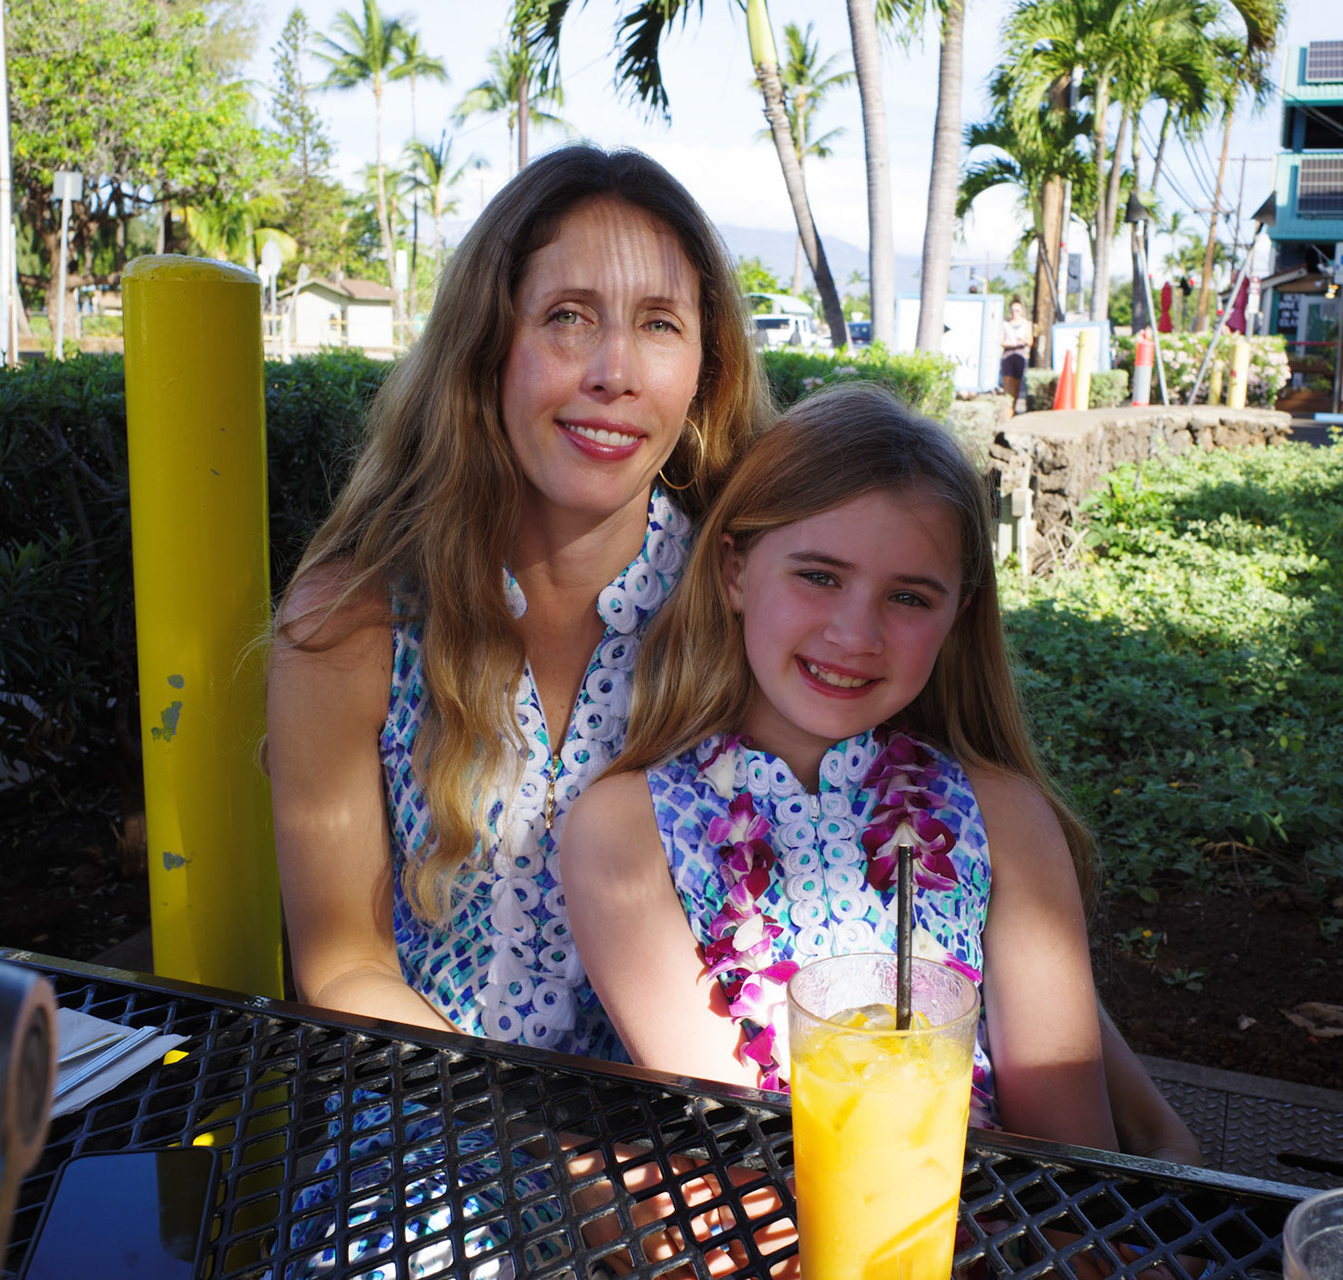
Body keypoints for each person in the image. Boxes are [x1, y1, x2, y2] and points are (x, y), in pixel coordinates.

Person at [268, 141, 1195, 1177]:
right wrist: (555, 1161)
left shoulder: (757, 584)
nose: (613, 371)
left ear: (704, 367)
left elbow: (952, 864)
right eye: (568, 316)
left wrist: (1144, 1125)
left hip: (707, 1164)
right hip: (434, 1134)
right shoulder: (356, 620)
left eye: (658, 324)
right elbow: (344, 962)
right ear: (491, 346)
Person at [562, 382, 1112, 1148]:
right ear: (735, 573)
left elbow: (1073, 1161)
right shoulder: (625, 835)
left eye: (910, 598)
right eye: (819, 576)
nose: (856, 634)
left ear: (957, 615)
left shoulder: (1005, 820)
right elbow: (746, 1156)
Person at [999, 297, 1033, 415]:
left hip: (1019, 354)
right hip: (1008, 354)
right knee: (1007, 384)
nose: (1015, 313)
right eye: (1013, 310)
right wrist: (1010, 344)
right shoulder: (1005, 324)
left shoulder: (1026, 324)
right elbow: (1001, 341)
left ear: (1022, 311)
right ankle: (1008, 410)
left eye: (1018, 310)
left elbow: (1030, 341)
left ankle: (1013, 408)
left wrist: (1022, 341)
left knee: (1017, 384)